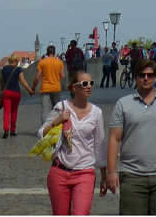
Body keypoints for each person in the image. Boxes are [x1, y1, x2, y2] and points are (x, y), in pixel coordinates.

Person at [106, 57, 156, 215]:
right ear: (135, 78)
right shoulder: (123, 104)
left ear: (155, 77)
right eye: (142, 75)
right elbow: (114, 139)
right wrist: (112, 171)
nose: (146, 78)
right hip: (132, 176)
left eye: (150, 75)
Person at [39, 68, 108, 216]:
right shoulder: (61, 107)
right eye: (84, 83)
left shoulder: (97, 113)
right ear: (74, 87)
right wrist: (57, 121)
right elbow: (42, 134)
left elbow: (99, 146)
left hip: (85, 172)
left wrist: (104, 176)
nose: (89, 86)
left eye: (91, 83)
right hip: (60, 171)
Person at [0, 54, 34, 138]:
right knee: (14, 111)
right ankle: (13, 130)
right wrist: (30, 90)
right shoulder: (18, 69)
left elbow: (1, 80)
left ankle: (6, 129)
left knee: (6, 111)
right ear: (16, 61)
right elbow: (23, 82)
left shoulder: (4, 69)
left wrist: (2, 88)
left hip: (7, 92)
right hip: (16, 92)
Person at [34, 45, 67, 123]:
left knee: (45, 109)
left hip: (45, 88)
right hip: (56, 88)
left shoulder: (42, 62)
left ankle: (44, 129)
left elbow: (37, 78)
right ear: (54, 52)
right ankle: (57, 127)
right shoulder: (59, 62)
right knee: (57, 109)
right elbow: (63, 76)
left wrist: (33, 87)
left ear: (47, 52)